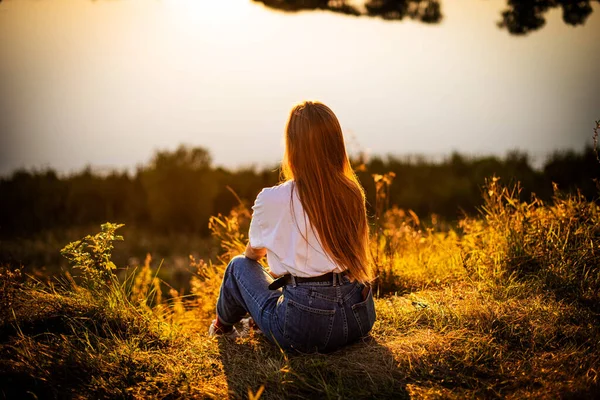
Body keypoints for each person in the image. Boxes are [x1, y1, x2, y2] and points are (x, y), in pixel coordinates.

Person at [209, 100, 376, 353]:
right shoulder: (352, 192)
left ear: (293, 147)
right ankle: (243, 323)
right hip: (358, 318)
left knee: (238, 267)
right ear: (335, 144)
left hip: (305, 329)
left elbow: (253, 255)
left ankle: (221, 328)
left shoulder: (272, 198)